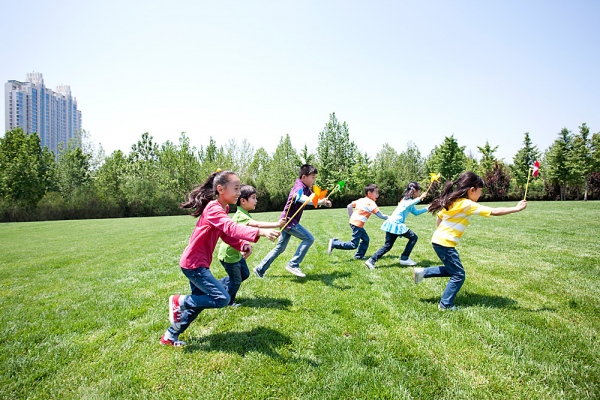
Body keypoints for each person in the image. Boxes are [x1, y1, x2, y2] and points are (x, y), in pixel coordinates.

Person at [160, 170, 280, 347]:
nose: (239, 193)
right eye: (236, 188)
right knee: (221, 298)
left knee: (198, 302)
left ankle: (170, 336)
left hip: (197, 263)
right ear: (220, 189)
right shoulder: (213, 208)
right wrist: (260, 231)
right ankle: (180, 301)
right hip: (194, 264)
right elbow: (231, 227)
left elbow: (225, 233)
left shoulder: (222, 208)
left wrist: (240, 245)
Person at [413, 171, 527, 311]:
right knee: (459, 274)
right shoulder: (467, 204)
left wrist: (439, 232)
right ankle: (445, 304)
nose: (480, 194)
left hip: (438, 240)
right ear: (472, 190)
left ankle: (423, 272)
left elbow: (440, 217)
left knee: (453, 270)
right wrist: (516, 208)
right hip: (445, 243)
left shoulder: (453, 201)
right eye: (480, 191)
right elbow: (495, 211)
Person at [254, 164, 332, 279]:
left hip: (288, 221)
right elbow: (300, 198)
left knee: (280, 248)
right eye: (313, 177)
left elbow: (314, 198)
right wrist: (319, 202)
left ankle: (260, 269)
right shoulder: (299, 187)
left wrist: (324, 201)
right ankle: (293, 264)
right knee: (309, 238)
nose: (314, 180)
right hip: (288, 221)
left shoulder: (306, 189)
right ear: (304, 177)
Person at [217, 185, 285, 306]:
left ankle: (217, 285)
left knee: (244, 274)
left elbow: (244, 232)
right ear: (243, 201)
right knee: (236, 281)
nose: (256, 200)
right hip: (229, 255)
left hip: (236, 252)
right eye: (253, 198)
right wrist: (277, 224)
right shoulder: (240, 215)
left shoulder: (244, 214)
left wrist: (245, 245)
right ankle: (228, 301)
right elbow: (257, 225)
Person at [365, 182, 428, 270]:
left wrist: (428, 208)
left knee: (388, 246)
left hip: (393, 224)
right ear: (414, 191)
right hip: (396, 224)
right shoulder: (406, 201)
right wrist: (420, 198)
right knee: (413, 238)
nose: (420, 194)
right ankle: (404, 258)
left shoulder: (408, 201)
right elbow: (409, 204)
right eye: (419, 192)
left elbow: (416, 213)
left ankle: (371, 260)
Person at [327, 184, 388, 260]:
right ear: (369, 193)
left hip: (354, 222)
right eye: (376, 192)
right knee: (353, 245)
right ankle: (335, 243)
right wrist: (390, 218)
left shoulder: (361, 200)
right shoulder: (371, 203)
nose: (378, 195)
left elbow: (349, 206)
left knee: (366, 239)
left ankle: (359, 256)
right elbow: (381, 215)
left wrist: (351, 216)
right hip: (357, 224)